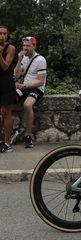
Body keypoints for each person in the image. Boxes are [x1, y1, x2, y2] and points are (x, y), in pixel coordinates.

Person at [13, 36, 47, 148]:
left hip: (36, 88)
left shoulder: (41, 60)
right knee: (7, 100)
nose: (25, 48)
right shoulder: (24, 58)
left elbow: (40, 81)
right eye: (24, 46)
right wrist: (18, 60)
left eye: (28, 46)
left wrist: (23, 85)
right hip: (25, 87)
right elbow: (17, 75)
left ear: (34, 46)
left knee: (27, 105)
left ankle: (28, 136)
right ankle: (12, 131)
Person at [0, 25, 16, 153]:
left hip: (6, 82)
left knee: (6, 113)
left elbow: (5, 66)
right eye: (0, 33)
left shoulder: (10, 48)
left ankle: (7, 142)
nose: (3, 36)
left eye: (5, 34)